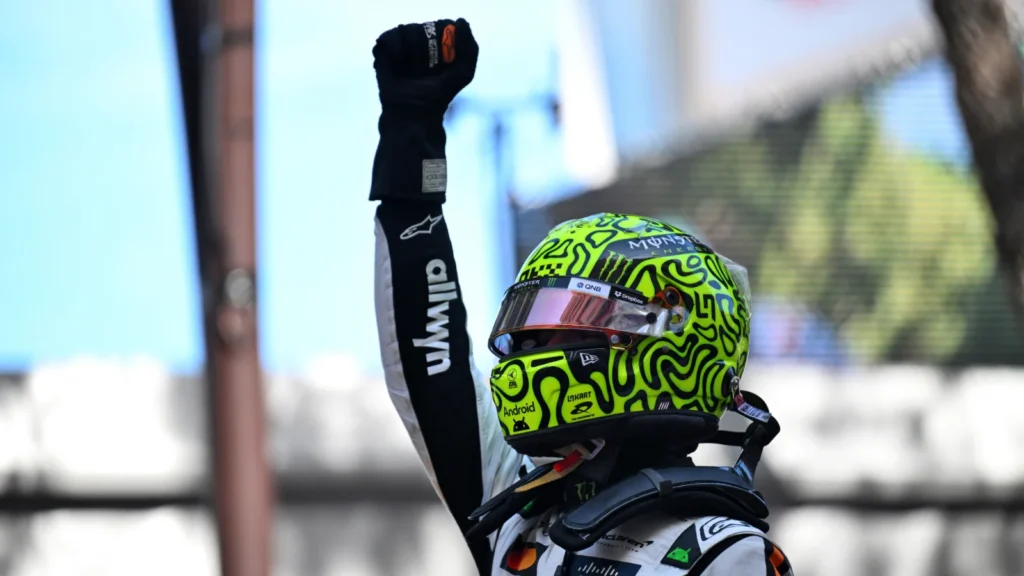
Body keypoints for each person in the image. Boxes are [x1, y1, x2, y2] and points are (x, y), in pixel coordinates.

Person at [369, 18, 795, 576]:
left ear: (662, 335)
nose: (528, 351)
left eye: (563, 324)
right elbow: (430, 362)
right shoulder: (517, 518)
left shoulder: (727, 553)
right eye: (527, 331)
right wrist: (412, 131)